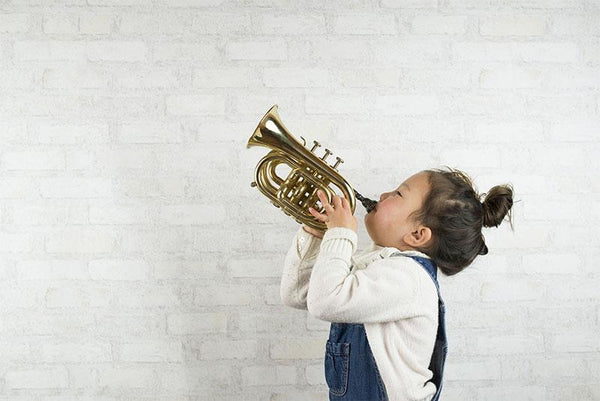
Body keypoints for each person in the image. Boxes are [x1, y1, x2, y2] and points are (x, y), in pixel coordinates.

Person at [280, 166, 514, 401]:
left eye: (398, 194)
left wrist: (340, 234)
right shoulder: (378, 264)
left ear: (417, 235)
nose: (383, 195)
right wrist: (316, 234)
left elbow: (325, 302)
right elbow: (299, 294)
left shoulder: (409, 278)